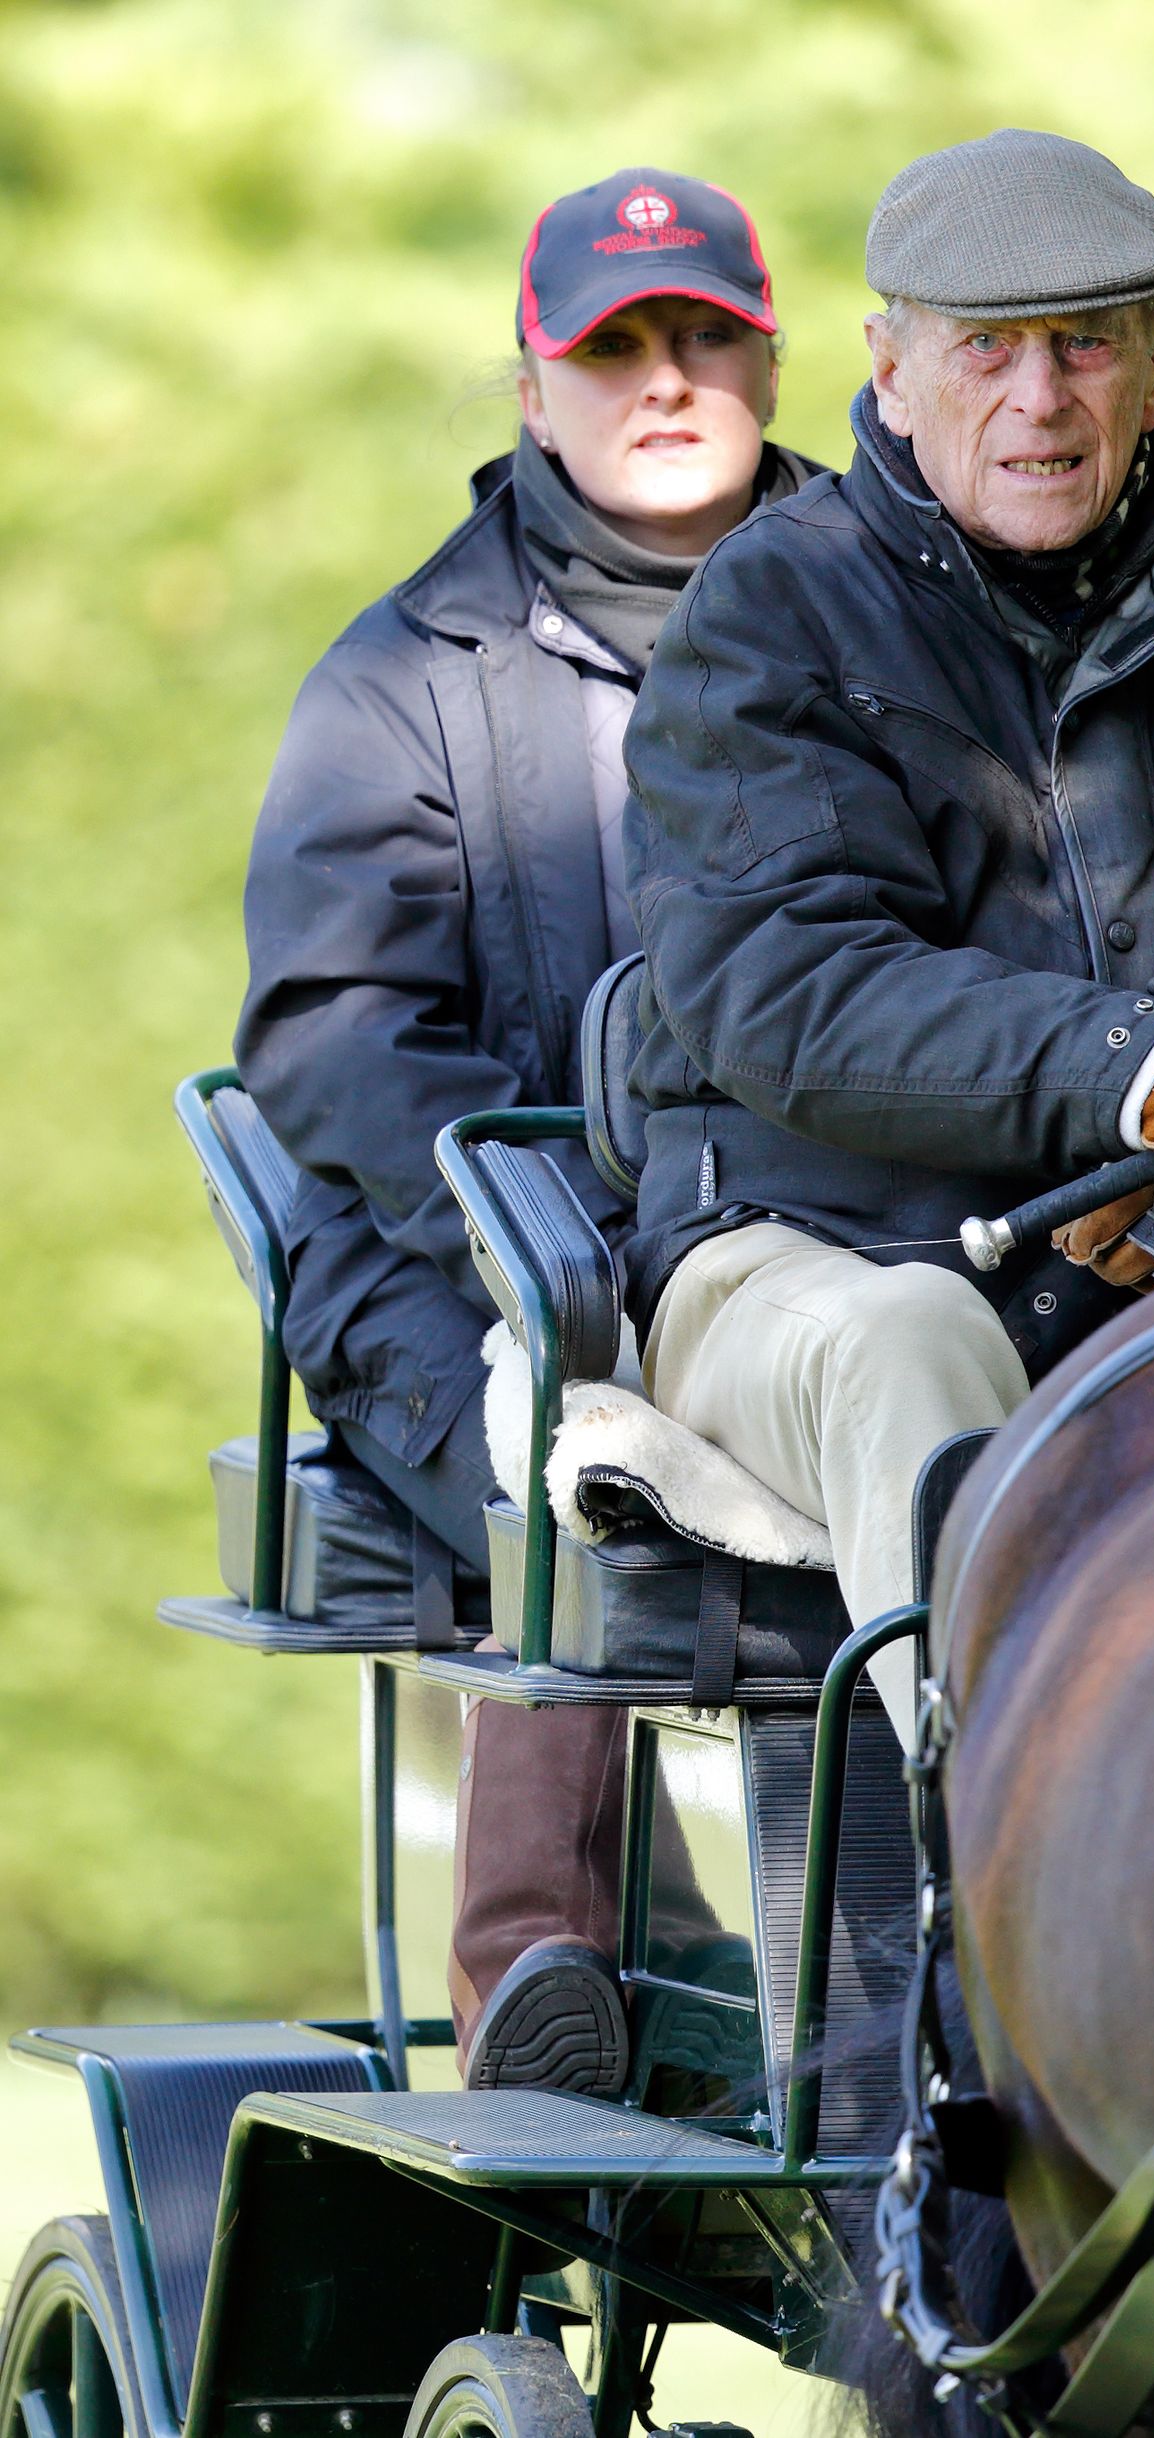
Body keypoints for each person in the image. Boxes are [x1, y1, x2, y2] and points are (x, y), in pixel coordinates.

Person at [621, 128, 1154, 1707]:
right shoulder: (765, 615)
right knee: (912, 1346)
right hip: (802, 1257)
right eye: (986, 351)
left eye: (1087, 343)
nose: (1040, 397)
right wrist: (1149, 1066)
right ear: (889, 370)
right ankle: (985, 1905)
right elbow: (786, 990)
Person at [235, 167, 823, 2093]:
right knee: (551, 1434)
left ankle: (903, 1987)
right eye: (616, 347)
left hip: (801, 1240)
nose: (665, 381)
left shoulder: (911, 620)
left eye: (703, 339)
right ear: (533, 385)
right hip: (447, 1249)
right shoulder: (400, 679)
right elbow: (329, 1047)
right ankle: (543, 1987)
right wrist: (560, 1238)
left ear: (770, 356)